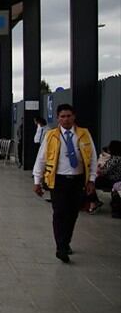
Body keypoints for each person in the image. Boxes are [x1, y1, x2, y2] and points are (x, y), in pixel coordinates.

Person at [33, 104, 99, 263]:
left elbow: (92, 159)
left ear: (74, 117)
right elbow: (41, 159)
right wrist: (37, 180)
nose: (66, 119)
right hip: (58, 180)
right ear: (57, 119)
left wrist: (91, 179)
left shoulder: (84, 134)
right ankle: (60, 247)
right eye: (62, 116)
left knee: (73, 213)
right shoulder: (51, 136)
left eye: (68, 116)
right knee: (59, 213)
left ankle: (66, 241)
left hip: (78, 180)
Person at [85, 141, 121, 213]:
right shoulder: (116, 158)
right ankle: (94, 201)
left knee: (90, 182)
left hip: (112, 180)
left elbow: (104, 171)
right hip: (114, 179)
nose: (108, 149)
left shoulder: (115, 159)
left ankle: (93, 202)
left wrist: (98, 169)